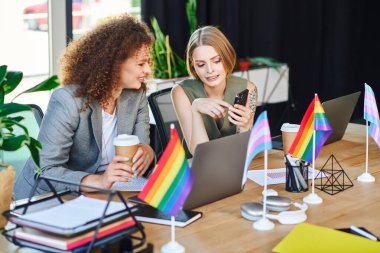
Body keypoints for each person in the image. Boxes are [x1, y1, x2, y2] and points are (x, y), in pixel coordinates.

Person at [15, 14, 155, 199]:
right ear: (113, 63)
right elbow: (45, 170)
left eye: (148, 62)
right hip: (46, 198)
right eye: (140, 63)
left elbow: (141, 145)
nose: (148, 70)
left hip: (106, 195)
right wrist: (99, 181)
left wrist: (148, 151)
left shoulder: (136, 95)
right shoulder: (68, 100)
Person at [171, 26, 258, 154]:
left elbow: (243, 151)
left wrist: (245, 127)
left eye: (216, 61)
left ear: (227, 56)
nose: (209, 70)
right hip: (195, 170)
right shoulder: (181, 92)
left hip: (233, 163)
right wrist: (195, 110)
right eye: (201, 64)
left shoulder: (248, 89)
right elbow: (199, 153)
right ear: (193, 65)